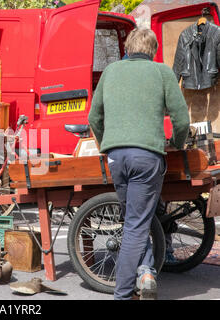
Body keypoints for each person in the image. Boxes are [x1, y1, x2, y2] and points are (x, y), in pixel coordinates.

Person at [88, 28, 190, 300]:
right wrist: (177, 144)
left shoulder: (111, 72)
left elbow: (93, 118)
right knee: (136, 225)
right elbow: (182, 120)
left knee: (132, 219)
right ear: (153, 50)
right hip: (147, 157)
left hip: (116, 157)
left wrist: (104, 145)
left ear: (128, 47)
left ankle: (144, 273)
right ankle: (122, 295)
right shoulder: (161, 72)